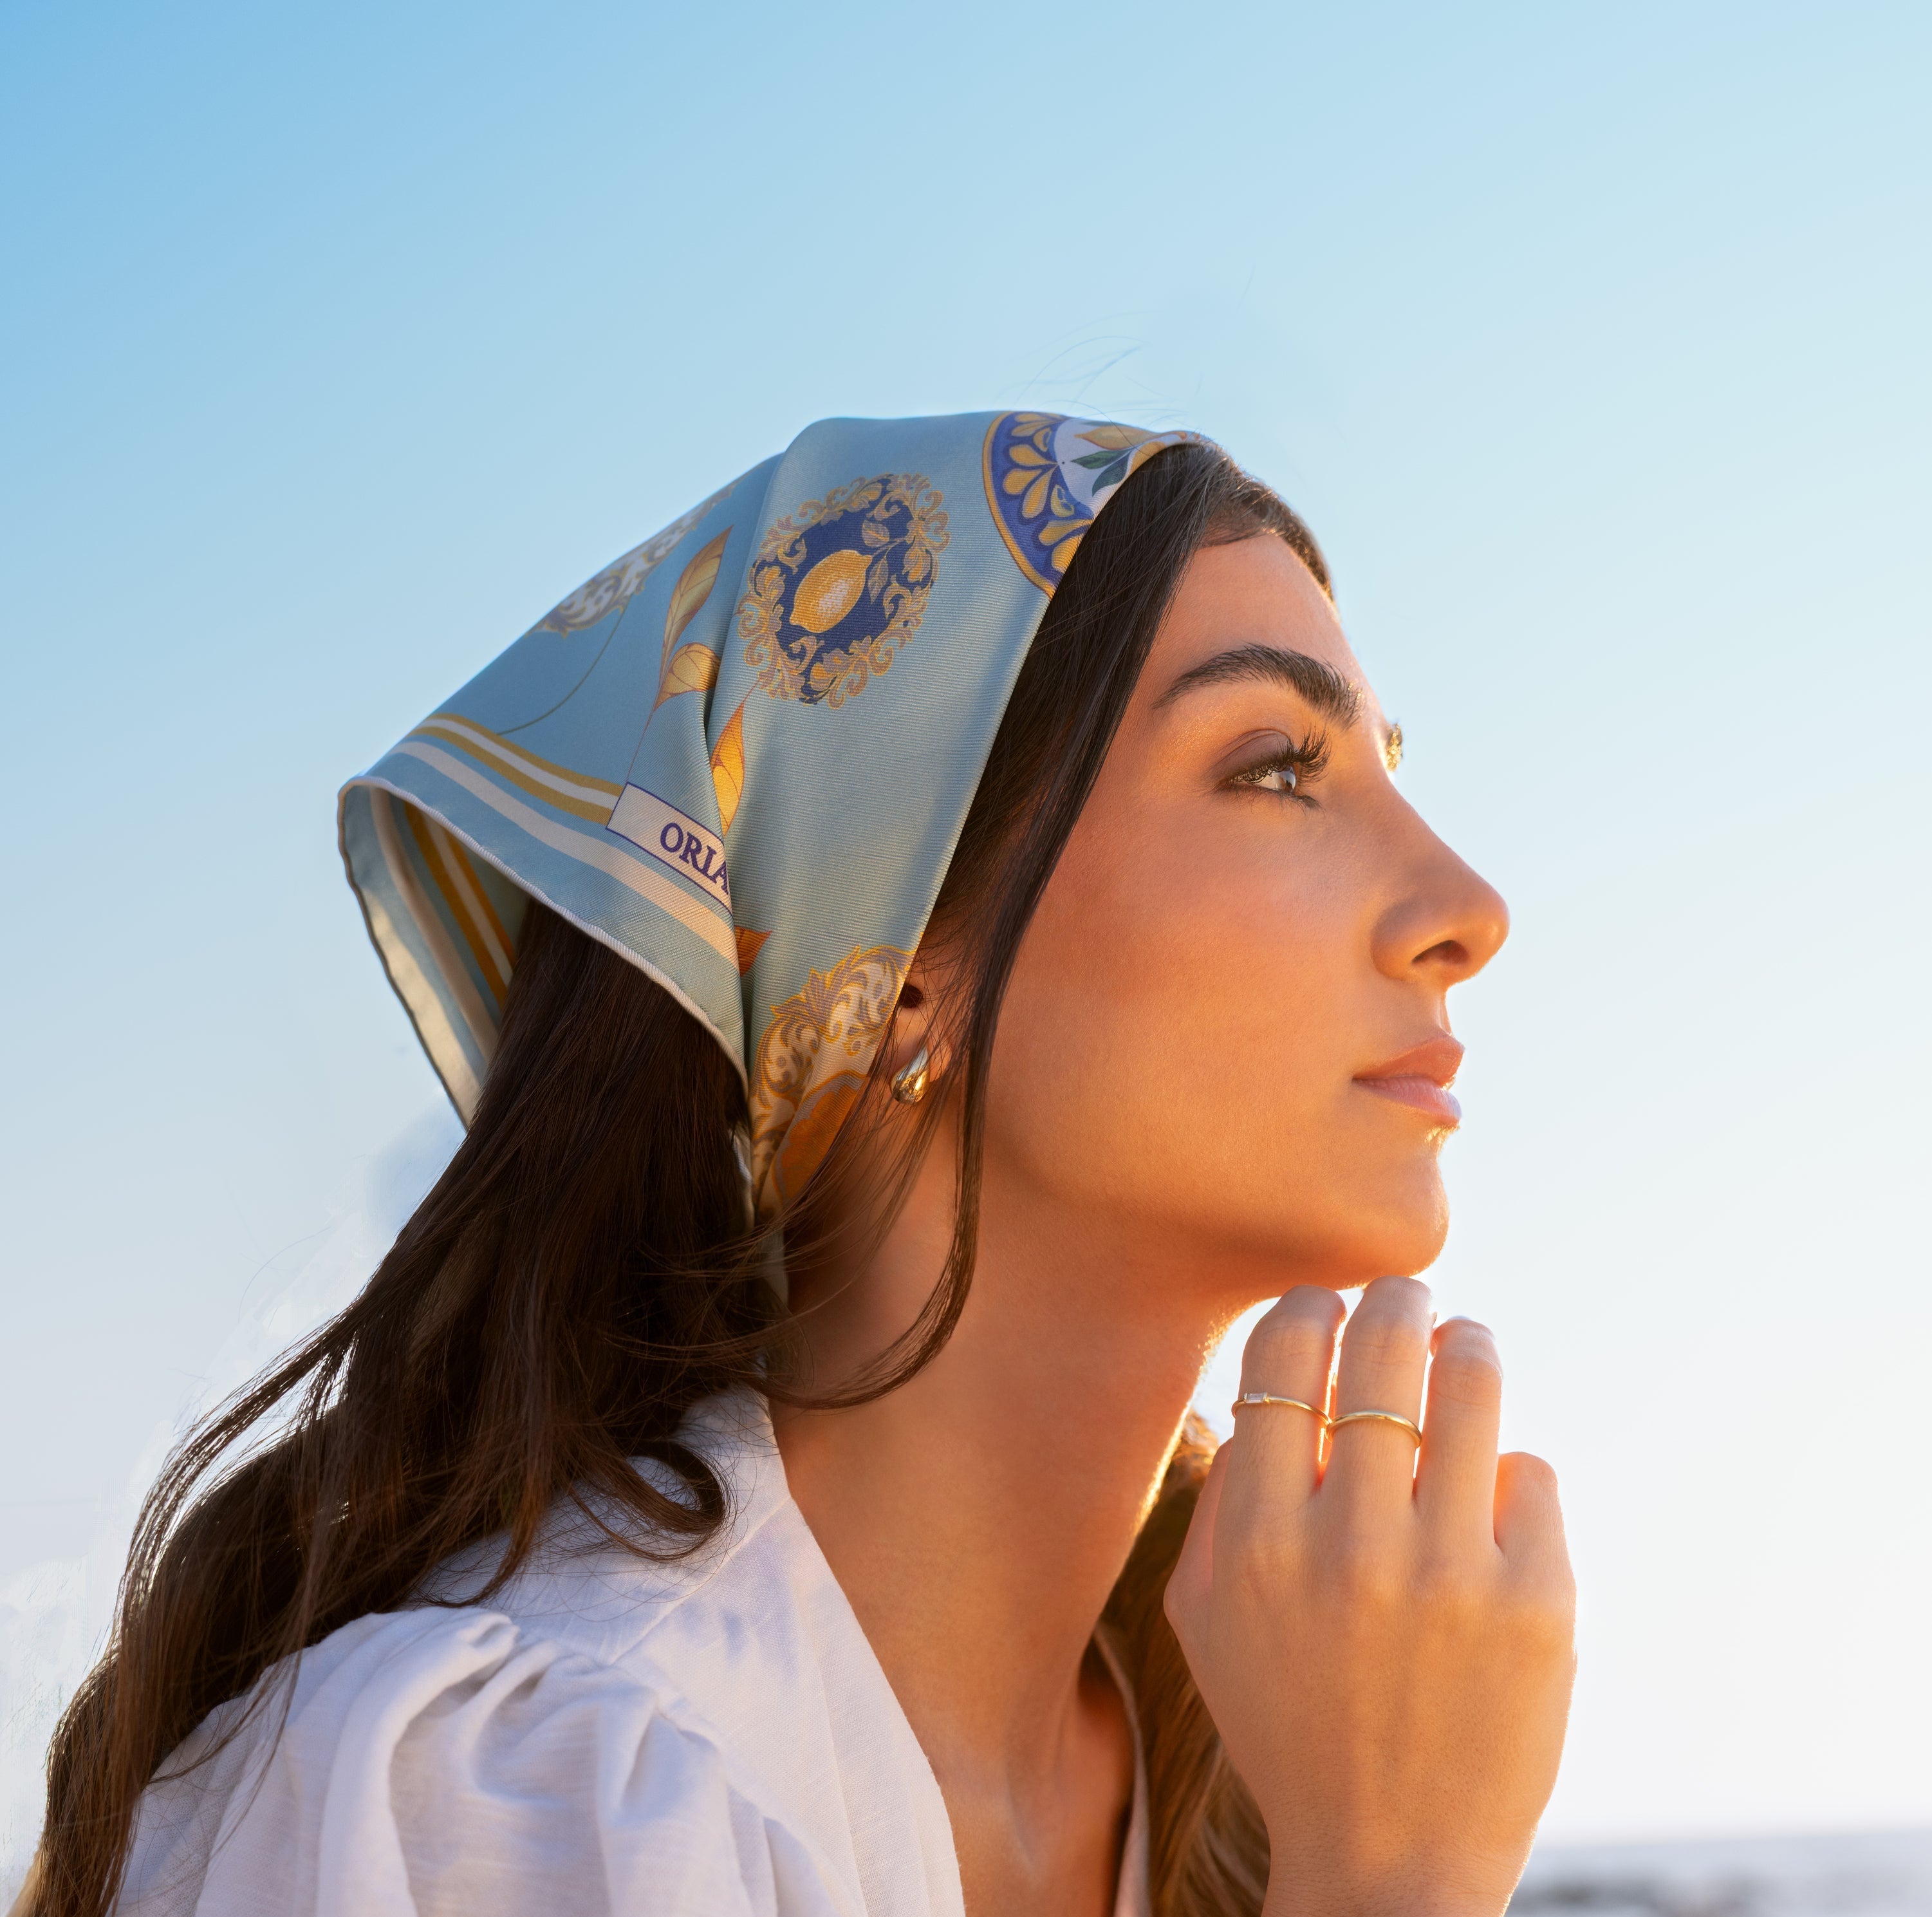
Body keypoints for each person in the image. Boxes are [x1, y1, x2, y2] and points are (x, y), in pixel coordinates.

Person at [28, 414, 1575, 1917]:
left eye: (1383, 767)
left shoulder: (1254, 1771)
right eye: (1275, 767)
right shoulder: (518, 1797)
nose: (1466, 901)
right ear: (896, 952)